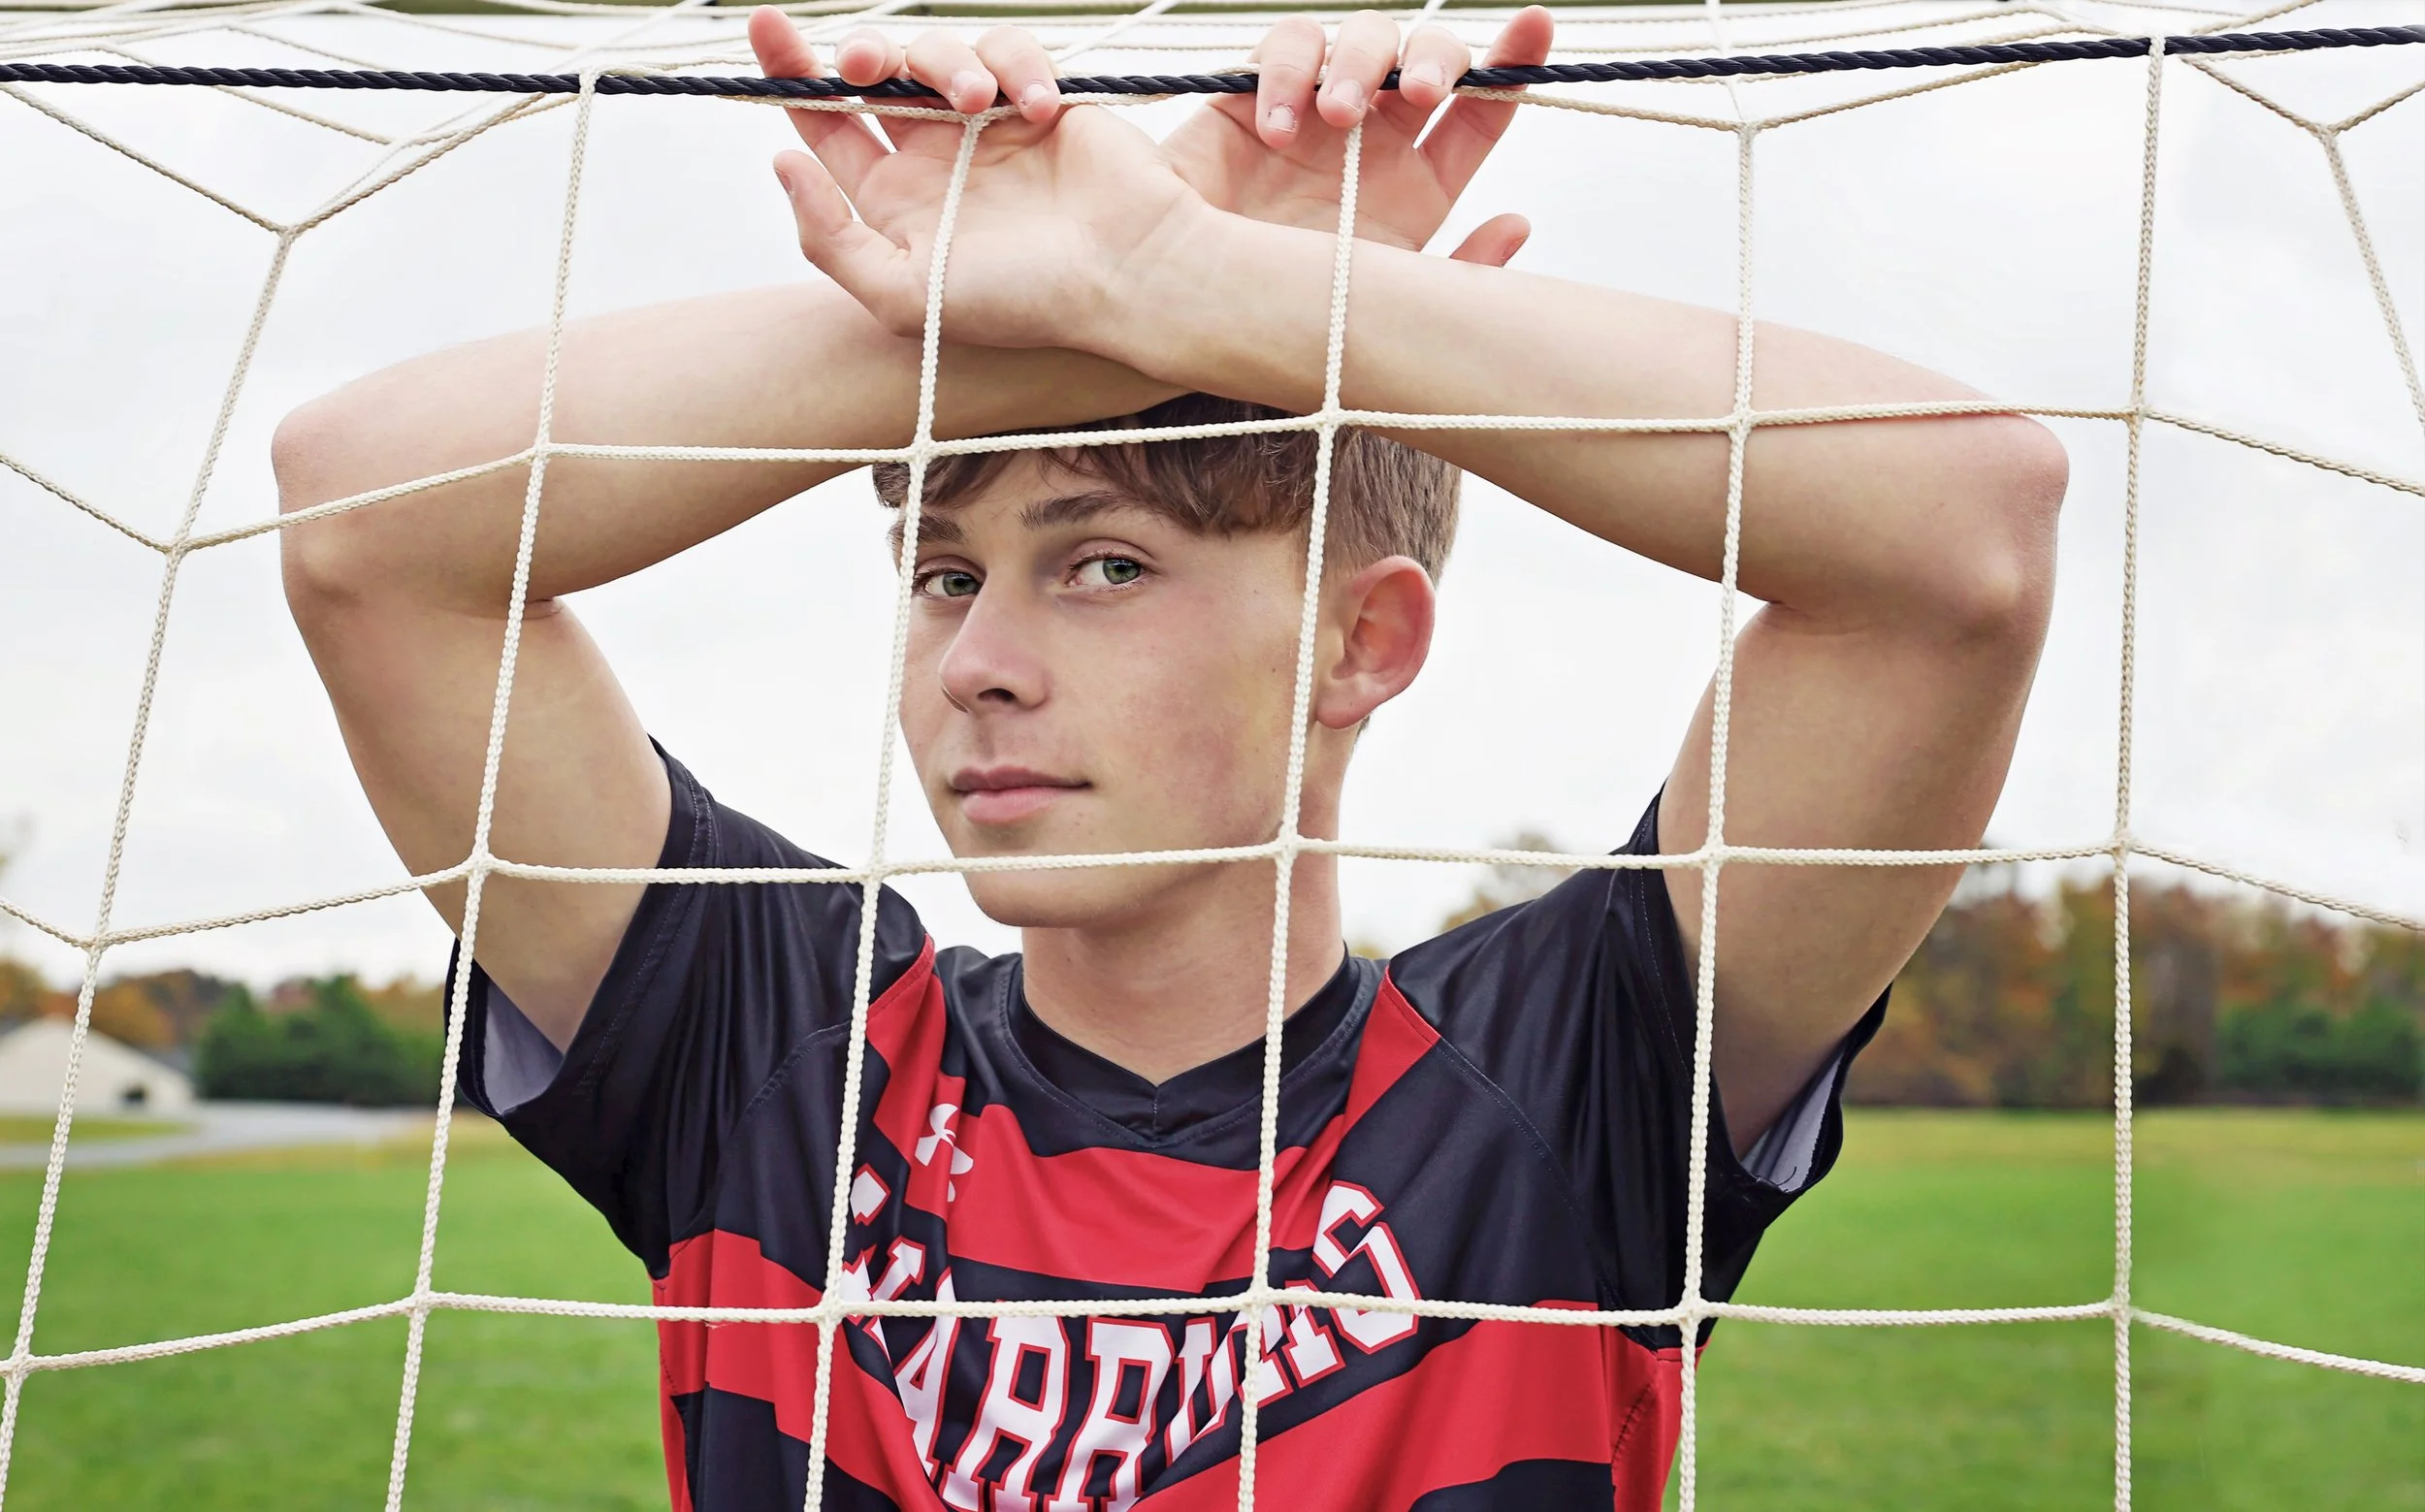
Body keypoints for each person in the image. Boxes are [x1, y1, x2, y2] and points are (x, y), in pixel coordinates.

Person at [273, 8, 2065, 1509]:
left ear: (1365, 643)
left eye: (1104, 566)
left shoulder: (1559, 1080)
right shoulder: (780, 1054)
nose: (977, 663)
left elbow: (1961, 540)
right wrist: (999, 323)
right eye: (945, 573)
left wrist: (1197, 282)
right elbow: (369, 520)